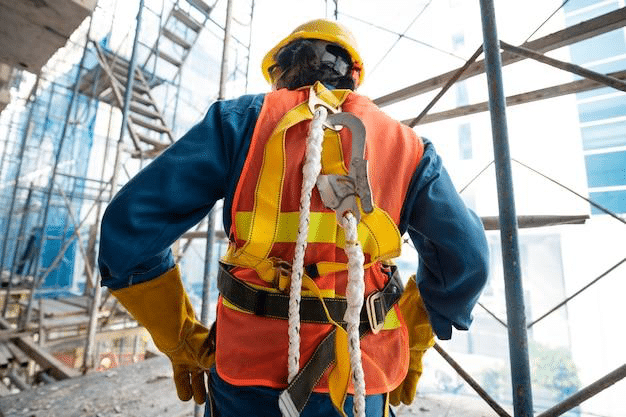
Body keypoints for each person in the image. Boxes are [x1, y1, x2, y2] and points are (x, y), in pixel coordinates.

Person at [98, 18, 489, 417]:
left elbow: (128, 229)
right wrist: (417, 330)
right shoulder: (407, 146)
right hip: (363, 370)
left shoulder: (240, 122)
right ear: (353, 75)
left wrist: (179, 337)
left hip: (247, 367)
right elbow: (467, 255)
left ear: (279, 74)